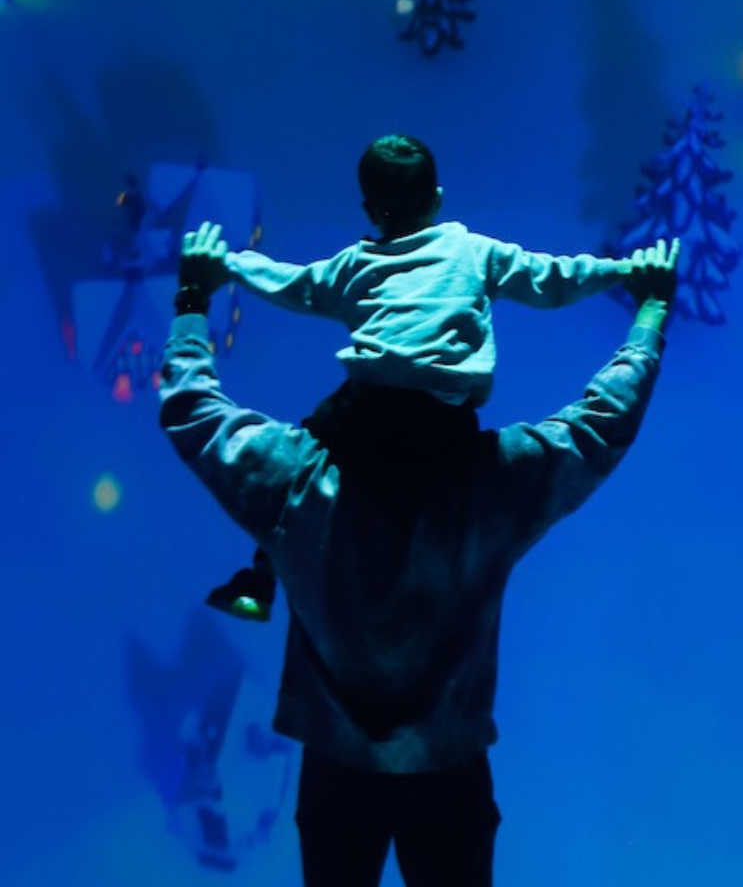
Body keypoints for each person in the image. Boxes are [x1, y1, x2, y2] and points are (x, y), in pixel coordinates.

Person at [160, 220, 679, 887]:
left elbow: (192, 409)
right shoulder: (493, 486)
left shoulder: (294, 477)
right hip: (447, 776)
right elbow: (600, 424)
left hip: (337, 775)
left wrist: (191, 303)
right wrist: (651, 313)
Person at [205, 133, 644, 621]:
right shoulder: (471, 252)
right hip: (441, 418)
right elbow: (552, 279)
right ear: (437, 199)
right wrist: (624, 270)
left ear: (370, 209)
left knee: (297, 473)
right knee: (466, 497)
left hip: (363, 414)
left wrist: (229, 265)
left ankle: (262, 578)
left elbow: (291, 283)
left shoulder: (355, 266)